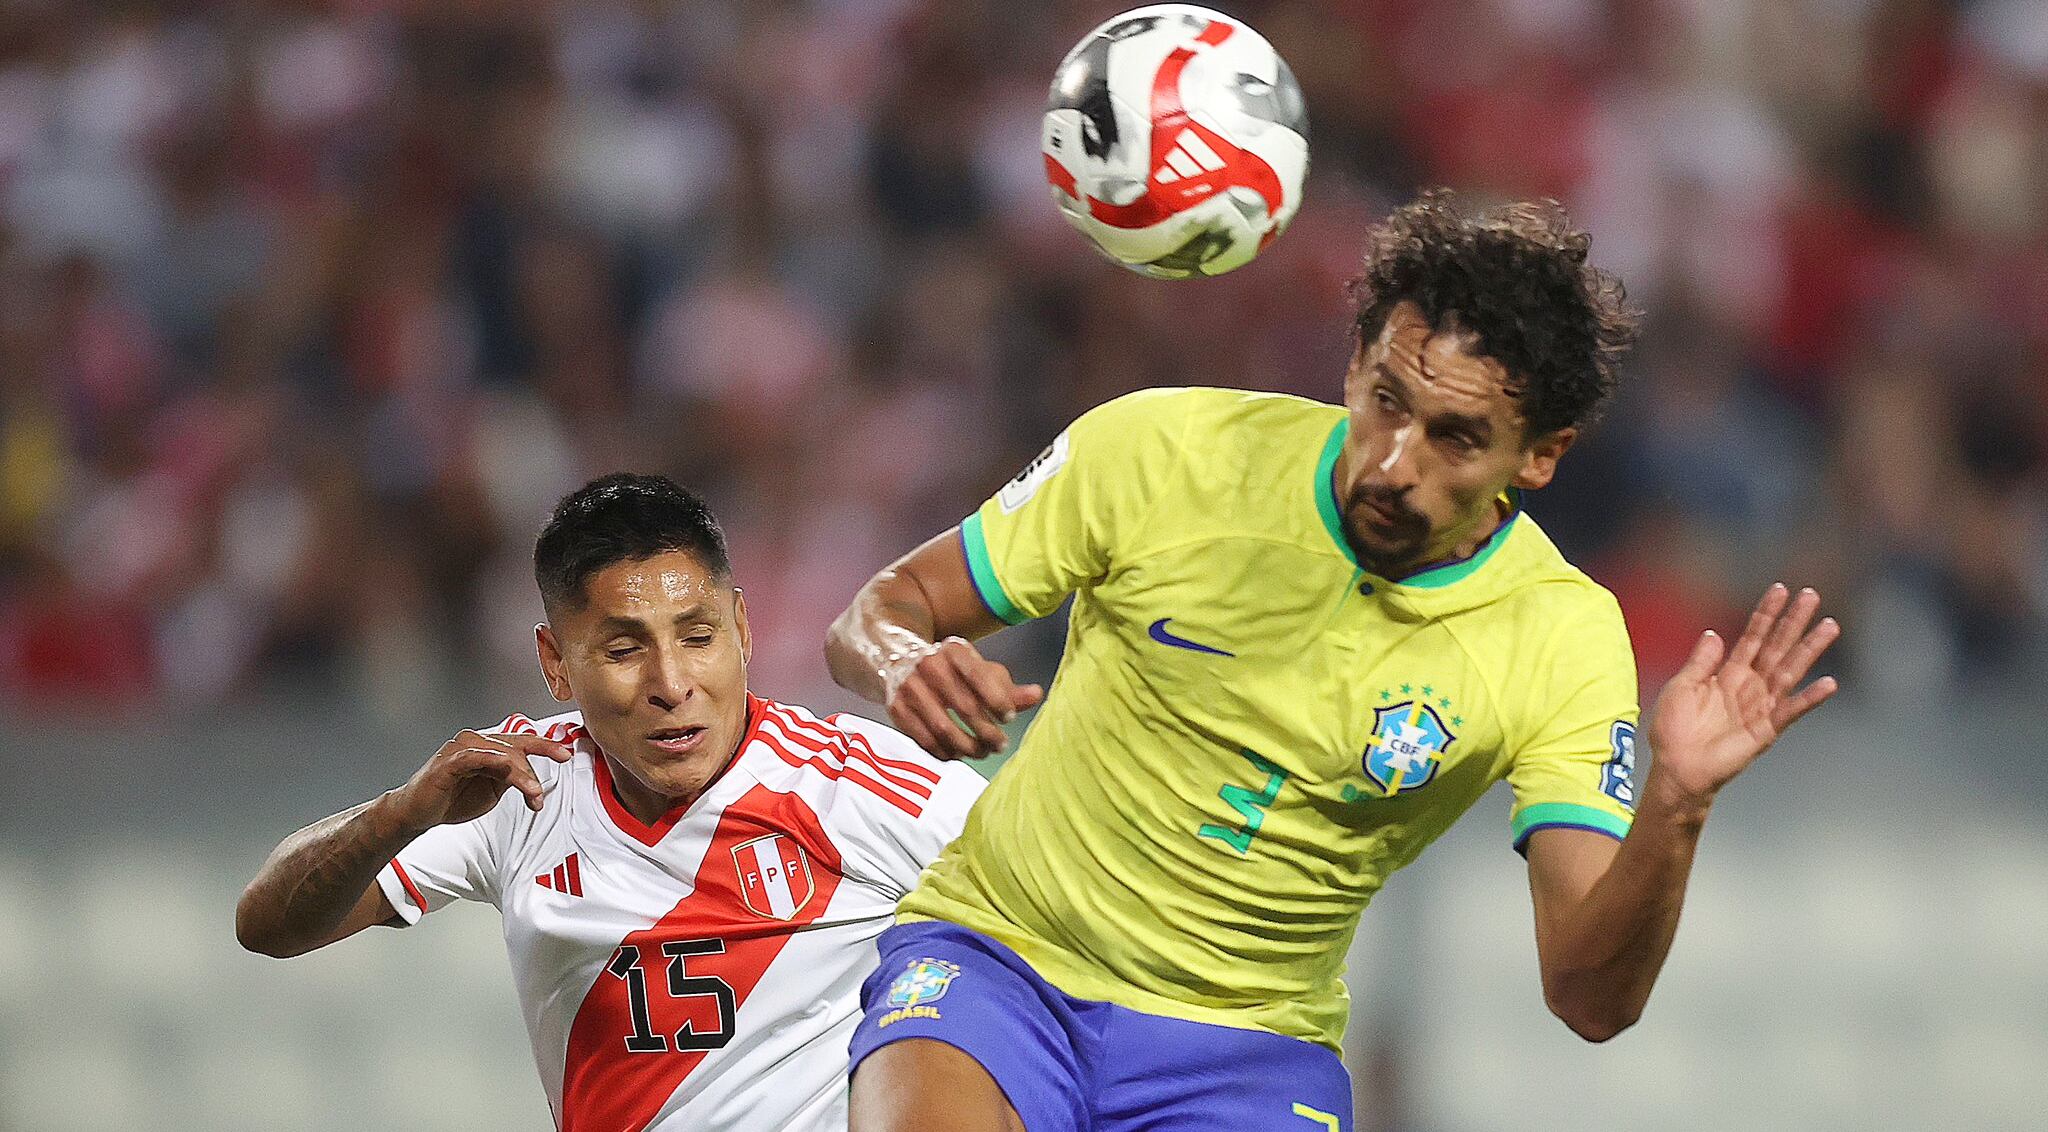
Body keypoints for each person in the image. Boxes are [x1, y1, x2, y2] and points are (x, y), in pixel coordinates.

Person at [824, 193, 1842, 1132]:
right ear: (1354, 358)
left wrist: (1675, 804)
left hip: (1243, 1054)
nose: (1395, 464)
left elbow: (1587, 999)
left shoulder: (1557, 638)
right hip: (999, 963)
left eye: (1454, 438)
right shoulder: (1162, 451)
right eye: (1387, 401)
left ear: (1539, 456)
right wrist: (902, 662)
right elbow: (879, 610)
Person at [237, 473, 985, 1131]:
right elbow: (268, 925)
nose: (671, 682)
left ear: (743, 630)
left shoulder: (852, 782)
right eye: (624, 650)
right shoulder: (520, 783)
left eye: (697, 637)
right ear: (556, 664)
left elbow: (1072, 905)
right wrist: (401, 813)